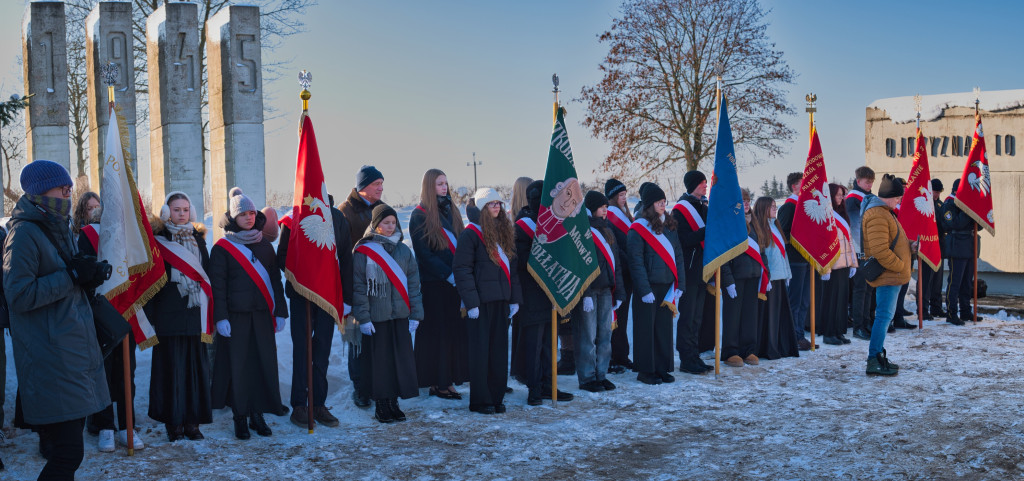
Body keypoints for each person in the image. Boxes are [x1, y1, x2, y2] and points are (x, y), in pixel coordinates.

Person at [5, 160, 110, 479]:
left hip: (70, 350)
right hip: (51, 356)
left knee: (66, 451)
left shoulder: (57, 225)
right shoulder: (24, 233)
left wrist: (85, 276)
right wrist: (71, 276)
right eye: (61, 185)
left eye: (68, 186)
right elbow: (19, 295)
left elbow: (64, 281)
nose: (68, 190)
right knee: (67, 453)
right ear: (39, 190)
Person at [210, 188, 289, 439]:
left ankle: (258, 413)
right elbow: (218, 286)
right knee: (239, 367)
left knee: (262, 365)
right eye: (243, 213)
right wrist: (220, 317)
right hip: (235, 318)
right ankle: (240, 417)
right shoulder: (222, 248)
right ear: (234, 217)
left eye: (252, 213)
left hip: (262, 316)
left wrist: (280, 312)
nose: (249, 217)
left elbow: (275, 282)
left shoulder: (265, 245)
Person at [278, 192, 353, 429]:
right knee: (303, 350)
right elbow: (282, 257)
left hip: (328, 297)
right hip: (302, 296)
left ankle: (318, 404)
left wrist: (347, 298)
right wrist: (305, 275)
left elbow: (345, 258)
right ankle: (299, 405)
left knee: (322, 351)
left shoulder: (338, 218)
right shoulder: (294, 218)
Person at [144, 192, 213, 442]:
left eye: (185, 209)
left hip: (195, 314)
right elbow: (151, 279)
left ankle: (192, 422)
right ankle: (173, 423)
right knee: (171, 370)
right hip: (168, 315)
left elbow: (207, 276)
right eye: (176, 209)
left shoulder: (199, 240)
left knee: (195, 370)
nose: (181, 214)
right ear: (167, 212)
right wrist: (151, 316)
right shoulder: (158, 241)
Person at [77, 197, 144, 452]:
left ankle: (128, 425)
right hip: (100, 314)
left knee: (128, 373)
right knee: (102, 372)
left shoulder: (130, 237)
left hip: (127, 311)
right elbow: (85, 271)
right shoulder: (87, 234)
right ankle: (105, 426)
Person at [453, 188, 522, 414]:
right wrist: (471, 302)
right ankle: (481, 400)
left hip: (501, 302)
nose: (496, 207)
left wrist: (514, 299)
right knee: (480, 354)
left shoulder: (503, 233)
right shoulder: (471, 234)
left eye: (499, 203)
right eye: (491, 203)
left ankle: (496, 397)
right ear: (482, 207)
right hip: (480, 305)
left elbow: (512, 269)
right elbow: (462, 270)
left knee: (499, 353)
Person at [353, 205, 422, 423]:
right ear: (376, 225)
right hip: (376, 318)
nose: (390, 227)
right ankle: (381, 403)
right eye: (386, 223)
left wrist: (415, 314)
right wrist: (363, 318)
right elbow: (359, 286)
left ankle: (394, 401)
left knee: (399, 361)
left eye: (393, 222)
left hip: (400, 315)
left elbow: (413, 284)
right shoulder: (364, 251)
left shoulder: (404, 250)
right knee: (380, 363)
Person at [409, 169, 468, 400]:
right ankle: (438, 382)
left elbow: (461, 242)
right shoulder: (419, 215)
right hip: (435, 285)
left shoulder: (452, 211)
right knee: (438, 335)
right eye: (439, 184)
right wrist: (447, 274)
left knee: (453, 334)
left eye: (446, 183)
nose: (444, 187)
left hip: (454, 284)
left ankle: (448, 380)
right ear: (429, 187)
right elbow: (424, 254)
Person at [513, 180, 573, 404]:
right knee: (534, 344)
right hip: (531, 294)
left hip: (551, 293)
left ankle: (550, 385)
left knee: (550, 344)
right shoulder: (523, 226)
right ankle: (534, 389)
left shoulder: (553, 223)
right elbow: (521, 262)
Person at [627, 184, 684, 385]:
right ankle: (646, 370)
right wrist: (643, 290)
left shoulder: (669, 225)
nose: (663, 204)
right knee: (645, 329)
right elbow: (636, 261)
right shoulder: (638, 228)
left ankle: (662, 367)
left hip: (667, 286)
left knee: (664, 329)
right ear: (650, 204)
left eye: (664, 201)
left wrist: (680, 284)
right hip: (648, 288)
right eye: (659, 201)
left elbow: (678, 255)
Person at [338, 165, 384, 408]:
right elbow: (342, 256)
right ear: (364, 186)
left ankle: (376, 383)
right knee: (357, 338)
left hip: (379, 285)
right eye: (377, 184)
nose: (381, 188)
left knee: (377, 338)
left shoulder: (381, 209)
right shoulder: (345, 212)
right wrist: (346, 293)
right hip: (355, 285)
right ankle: (360, 387)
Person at [572, 192, 625, 392]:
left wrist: (618, 292)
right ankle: (587, 378)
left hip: (605, 291)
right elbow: (579, 265)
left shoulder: (607, 229)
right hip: (589, 292)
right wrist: (584, 293)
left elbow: (615, 264)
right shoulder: (582, 230)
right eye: (602, 207)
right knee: (587, 336)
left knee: (605, 335)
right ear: (593, 208)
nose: (606, 210)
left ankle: (601, 374)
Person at [861, 174, 911, 376]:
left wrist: (910, 247)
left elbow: (890, 242)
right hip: (889, 275)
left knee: (884, 317)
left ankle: (878, 355)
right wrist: (899, 265)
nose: (899, 201)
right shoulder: (878, 215)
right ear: (890, 196)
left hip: (892, 274)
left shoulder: (884, 213)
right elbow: (880, 251)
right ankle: (874, 359)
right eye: (898, 197)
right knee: (883, 318)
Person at [671, 171, 713, 374]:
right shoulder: (680, 210)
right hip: (689, 269)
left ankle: (694, 355)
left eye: (706, 182)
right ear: (693, 185)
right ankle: (686, 358)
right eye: (702, 183)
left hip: (702, 269)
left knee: (698, 317)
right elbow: (683, 240)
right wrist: (706, 231)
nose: (706, 186)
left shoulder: (704, 206)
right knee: (688, 316)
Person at [749, 197, 799, 359]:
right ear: (763, 208)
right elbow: (764, 256)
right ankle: (768, 348)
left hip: (780, 277)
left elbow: (782, 254)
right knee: (769, 316)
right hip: (768, 279)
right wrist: (766, 277)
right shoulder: (760, 229)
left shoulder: (775, 226)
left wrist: (788, 274)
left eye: (775, 206)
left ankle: (780, 345)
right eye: (771, 206)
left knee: (779, 315)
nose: (775, 209)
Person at [776, 172, 815, 351]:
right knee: (795, 300)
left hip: (806, 259)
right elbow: (783, 233)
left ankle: (800, 334)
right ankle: (793, 336)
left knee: (805, 300)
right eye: (803, 184)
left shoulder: (804, 205)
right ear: (794, 186)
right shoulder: (789, 207)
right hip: (795, 260)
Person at [720, 224, 767, 368]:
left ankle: (748, 350)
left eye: (748, 200)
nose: (746, 204)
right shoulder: (731, 223)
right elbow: (723, 256)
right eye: (743, 201)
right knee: (733, 316)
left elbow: (762, 252)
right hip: (735, 278)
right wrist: (728, 280)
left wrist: (766, 275)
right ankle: (731, 351)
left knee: (750, 316)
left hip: (753, 277)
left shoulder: (755, 225)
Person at [819, 183, 856, 345]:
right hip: (832, 266)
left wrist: (853, 264)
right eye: (839, 195)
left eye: (843, 195)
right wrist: (824, 268)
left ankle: (839, 331)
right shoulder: (826, 216)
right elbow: (822, 244)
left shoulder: (842, 215)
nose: (842, 198)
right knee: (831, 301)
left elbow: (849, 242)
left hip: (844, 264)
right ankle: (829, 333)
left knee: (842, 300)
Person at [941, 178, 981, 325]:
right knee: (955, 282)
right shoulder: (949, 204)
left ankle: (965, 311)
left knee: (967, 283)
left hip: (969, 246)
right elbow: (955, 223)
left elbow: (979, 226)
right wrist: (968, 211)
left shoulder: (964, 204)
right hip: (957, 246)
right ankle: (951, 313)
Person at [604, 179, 634, 372]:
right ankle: (613, 355)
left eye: (625, 195)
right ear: (614, 197)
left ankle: (622, 353)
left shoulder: (626, 215)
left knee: (623, 318)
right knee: (615, 316)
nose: (624, 198)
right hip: (618, 270)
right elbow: (615, 245)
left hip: (629, 271)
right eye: (621, 195)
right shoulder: (610, 216)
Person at [846, 166, 875, 341]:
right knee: (860, 289)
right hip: (859, 249)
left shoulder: (869, 197)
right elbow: (855, 226)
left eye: (871, 182)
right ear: (858, 181)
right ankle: (858, 326)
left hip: (870, 248)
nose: (870, 184)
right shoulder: (852, 199)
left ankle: (866, 320)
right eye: (867, 182)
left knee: (869, 288)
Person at [922, 178, 947, 319]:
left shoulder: (940, 204)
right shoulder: (925, 204)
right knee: (926, 280)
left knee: (937, 280)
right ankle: (923, 309)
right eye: (935, 191)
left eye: (938, 192)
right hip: (928, 246)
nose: (936, 194)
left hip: (939, 246)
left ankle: (936, 307)